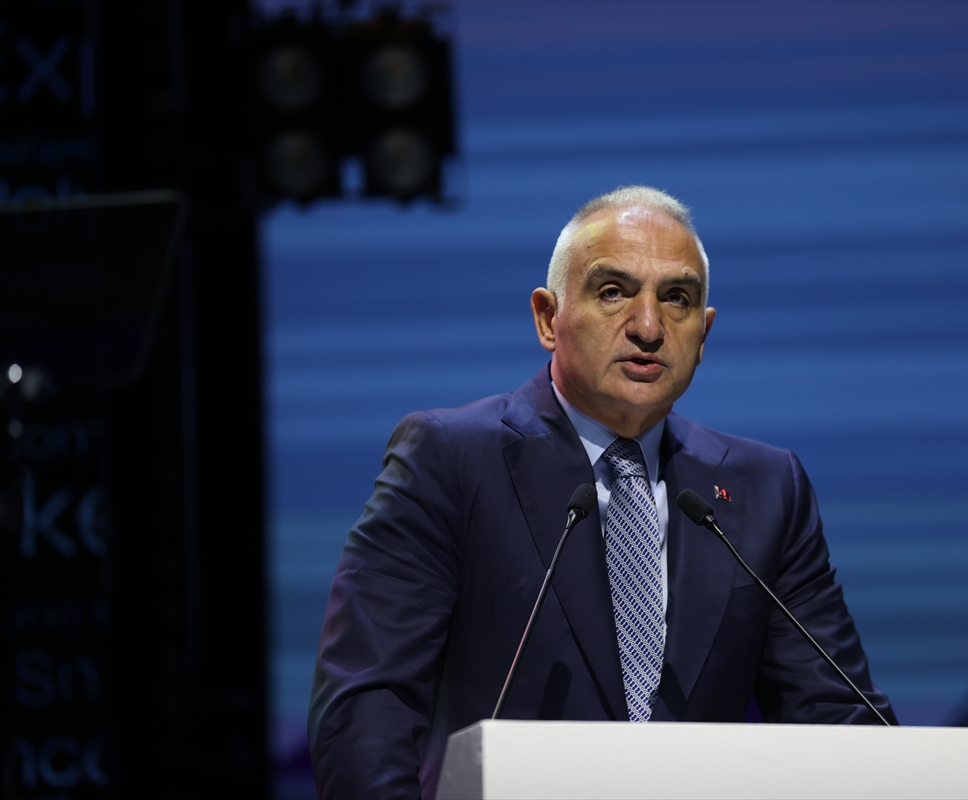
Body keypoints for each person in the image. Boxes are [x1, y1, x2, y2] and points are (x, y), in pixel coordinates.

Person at [309, 186, 896, 799]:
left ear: (704, 332)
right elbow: (367, 704)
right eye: (613, 291)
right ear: (548, 318)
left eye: (677, 299)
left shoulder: (766, 490)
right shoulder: (451, 459)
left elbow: (839, 717)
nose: (648, 327)